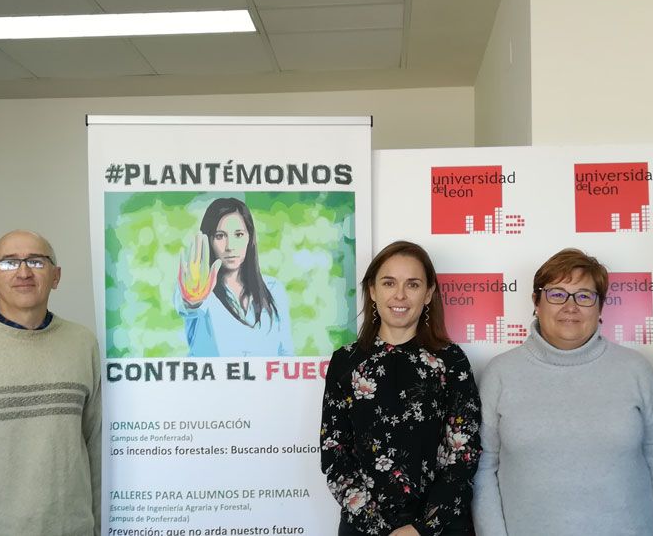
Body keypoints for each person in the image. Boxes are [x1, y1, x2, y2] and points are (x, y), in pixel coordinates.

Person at [473, 248, 653, 536]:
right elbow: (484, 469)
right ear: (536, 301)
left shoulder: (635, 369)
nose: (570, 306)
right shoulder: (500, 374)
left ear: (600, 307)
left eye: (584, 296)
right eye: (557, 294)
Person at [0, 230, 102, 535]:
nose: (24, 272)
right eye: (9, 263)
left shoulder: (83, 343)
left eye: (37, 262)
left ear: (56, 276)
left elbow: (97, 446)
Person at [320, 240, 480, 536]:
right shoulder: (345, 362)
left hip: (440, 528)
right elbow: (335, 454)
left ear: (429, 293)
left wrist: (421, 528)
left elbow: (464, 454)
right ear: (372, 290)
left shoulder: (451, 360)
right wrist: (380, 529)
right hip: (364, 529)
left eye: (413, 284)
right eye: (389, 283)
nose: (400, 295)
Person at [175, 196, 293, 357]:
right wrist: (192, 299)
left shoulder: (273, 288)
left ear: (249, 238)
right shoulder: (200, 288)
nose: (230, 247)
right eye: (220, 236)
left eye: (238, 234)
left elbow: (286, 353)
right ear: (208, 240)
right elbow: (187, 305)